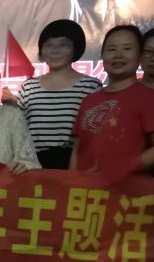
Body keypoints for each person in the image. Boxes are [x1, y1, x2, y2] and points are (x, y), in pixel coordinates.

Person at [71, 25, 154, 176]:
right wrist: (73, 179)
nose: (118, 55)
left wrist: (121, 168)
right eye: (111, 49)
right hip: (85, 188)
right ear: (102, 56)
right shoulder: (89, 100)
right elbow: (77, 151)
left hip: (127, 188)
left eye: (127, 48)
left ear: (140, 56)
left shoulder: (151, 99)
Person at [17, 19, 102, 169]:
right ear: (41, 51)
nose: (55, 50)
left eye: (63, 45)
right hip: (34, 166)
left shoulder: (90, 86)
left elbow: (97, 133)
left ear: (75, 49)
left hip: (75, 165)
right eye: (48, 45)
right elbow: (18, 131)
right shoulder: (28, 87)